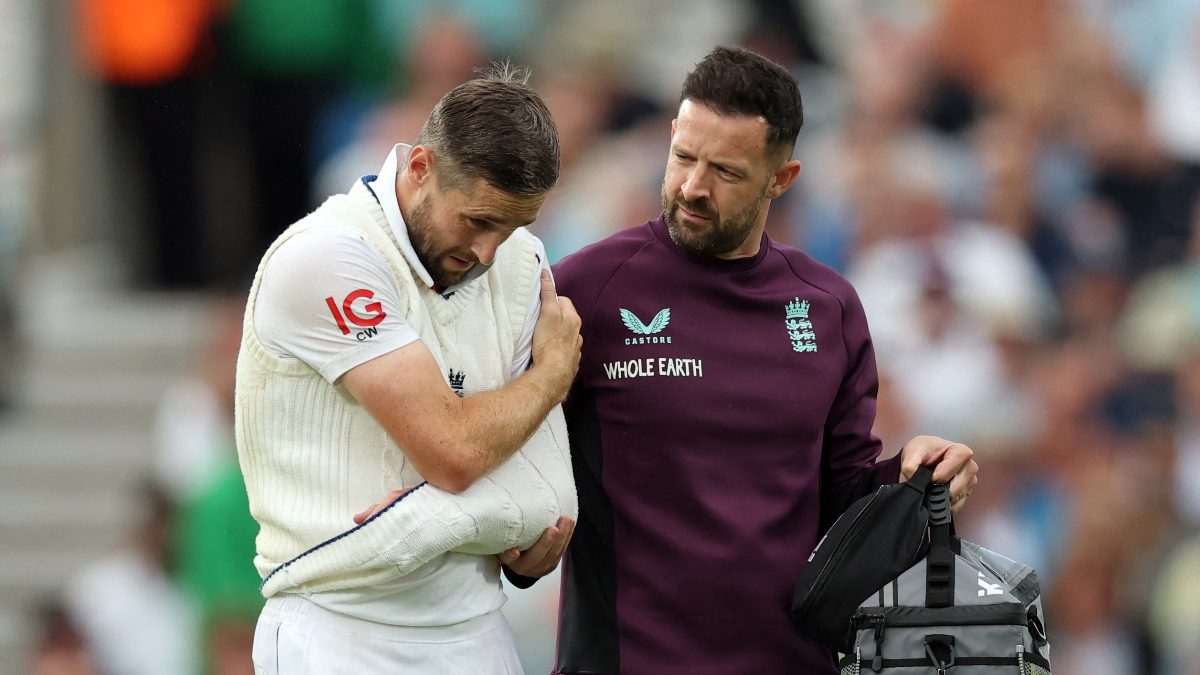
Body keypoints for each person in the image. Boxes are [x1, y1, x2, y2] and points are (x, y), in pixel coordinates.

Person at [548, 45, 980, 674]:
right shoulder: (584, 289)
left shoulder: (827, 307)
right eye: (683, 158)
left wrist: (923, 479)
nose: (693, 187)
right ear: (670, 137)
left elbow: (845, 499)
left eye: (725, 171)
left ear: (782, 179)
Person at [234, 64, 581, 674]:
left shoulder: (518, 257)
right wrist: (551, 377)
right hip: (339, 630)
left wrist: (481, 522)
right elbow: (450, 453)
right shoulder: (327, 255)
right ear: (420, 168)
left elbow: (550, 503)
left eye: (513, 225)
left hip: (479, 628)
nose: (487, 253)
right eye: (477, 220)